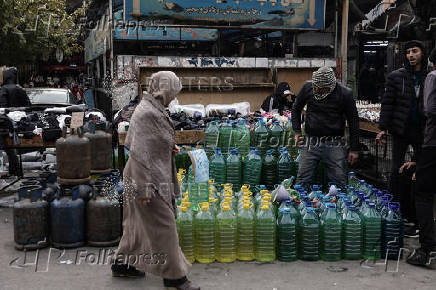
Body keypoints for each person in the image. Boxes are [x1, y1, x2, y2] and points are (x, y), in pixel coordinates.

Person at [112, 71, 199, 290]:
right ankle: (174, 277)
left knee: (134, 222)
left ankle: (123, 264)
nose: (174, 95)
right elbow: (139, 153)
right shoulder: (147, 113)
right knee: (165, 225)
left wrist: (168, 146)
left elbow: (153, 142)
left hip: (145, 173)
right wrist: (143, 190)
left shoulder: (154, 108)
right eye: (173, 90)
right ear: (164, 89)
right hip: (145, 178)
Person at [376, 40, 428, 237]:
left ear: (422, 53)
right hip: (401, 129)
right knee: (396, 170)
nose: (411, 55)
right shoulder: (397, 77)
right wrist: (382, 128)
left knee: (420, 172)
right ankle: (396, 213)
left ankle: (417, 217)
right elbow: (387, 103)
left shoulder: (429, 75)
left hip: (422, 131)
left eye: (415, 51)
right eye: (408, 52)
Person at [292, 66, 360, 189]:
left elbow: (353, 122)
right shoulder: (308, 88)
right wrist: (297, 131)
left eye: (319, 87)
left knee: (338, 180)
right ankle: (301, 204)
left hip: (335, 142)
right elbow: (296, 109)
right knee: (303, 178)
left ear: (329, 86)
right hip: (311, 140)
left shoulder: (345, 93)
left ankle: (338, 205)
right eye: (315, 85)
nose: (316, 88)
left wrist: (354, 149)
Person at [406, 47, 436, 267]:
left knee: (423, 193)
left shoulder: (432, 77)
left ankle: (428, 250)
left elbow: (429, 110)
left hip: (433, 144)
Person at [0, 67, 31, 176]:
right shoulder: (20, 89)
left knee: (9, 149)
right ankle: (16, 169)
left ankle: (15, 169)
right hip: (20, 123)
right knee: (12, 149)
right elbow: (28, 106)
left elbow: (2, 107)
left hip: (6, 124)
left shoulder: (4, 89)